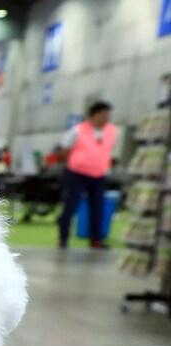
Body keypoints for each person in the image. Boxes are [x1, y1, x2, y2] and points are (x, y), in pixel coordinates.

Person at [54, 101, 118, 249]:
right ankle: (63, 239)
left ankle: (96, 239)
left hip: (99, 174)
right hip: (77, 173)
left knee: (98, 207)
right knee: (70, 206)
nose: (106, 118)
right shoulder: (77, 130)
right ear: (94, 115)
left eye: (108, 115)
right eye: (103, 114)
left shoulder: (112, 131)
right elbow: (64, 149)